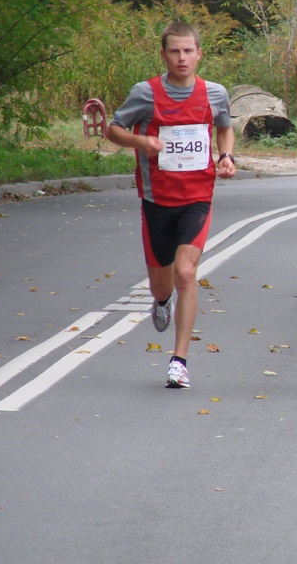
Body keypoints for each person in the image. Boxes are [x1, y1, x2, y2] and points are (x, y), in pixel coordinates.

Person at [106, 21, 236, 390]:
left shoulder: (214, 93)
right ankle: (161, 301)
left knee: (185, 273)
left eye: (188, 51)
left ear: (199, 54)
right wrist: (141, 143)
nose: (182, 57)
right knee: (162, 285)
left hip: (197, 198)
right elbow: (113, 128)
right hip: (156, 201)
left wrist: (225, 156)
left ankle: (179, 361)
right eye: (174, 51)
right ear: (164, 55)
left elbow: (225, 126)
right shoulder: (145, 94)